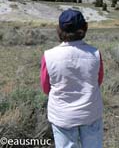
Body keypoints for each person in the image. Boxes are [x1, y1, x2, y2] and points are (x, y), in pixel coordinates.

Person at [40, 9, 104, 148]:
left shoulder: (49, 55)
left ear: (60, 29)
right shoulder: (95, 54)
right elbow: (98, 81)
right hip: (90, 112)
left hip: (62, 116)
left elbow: (46, 88)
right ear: (84, 28)